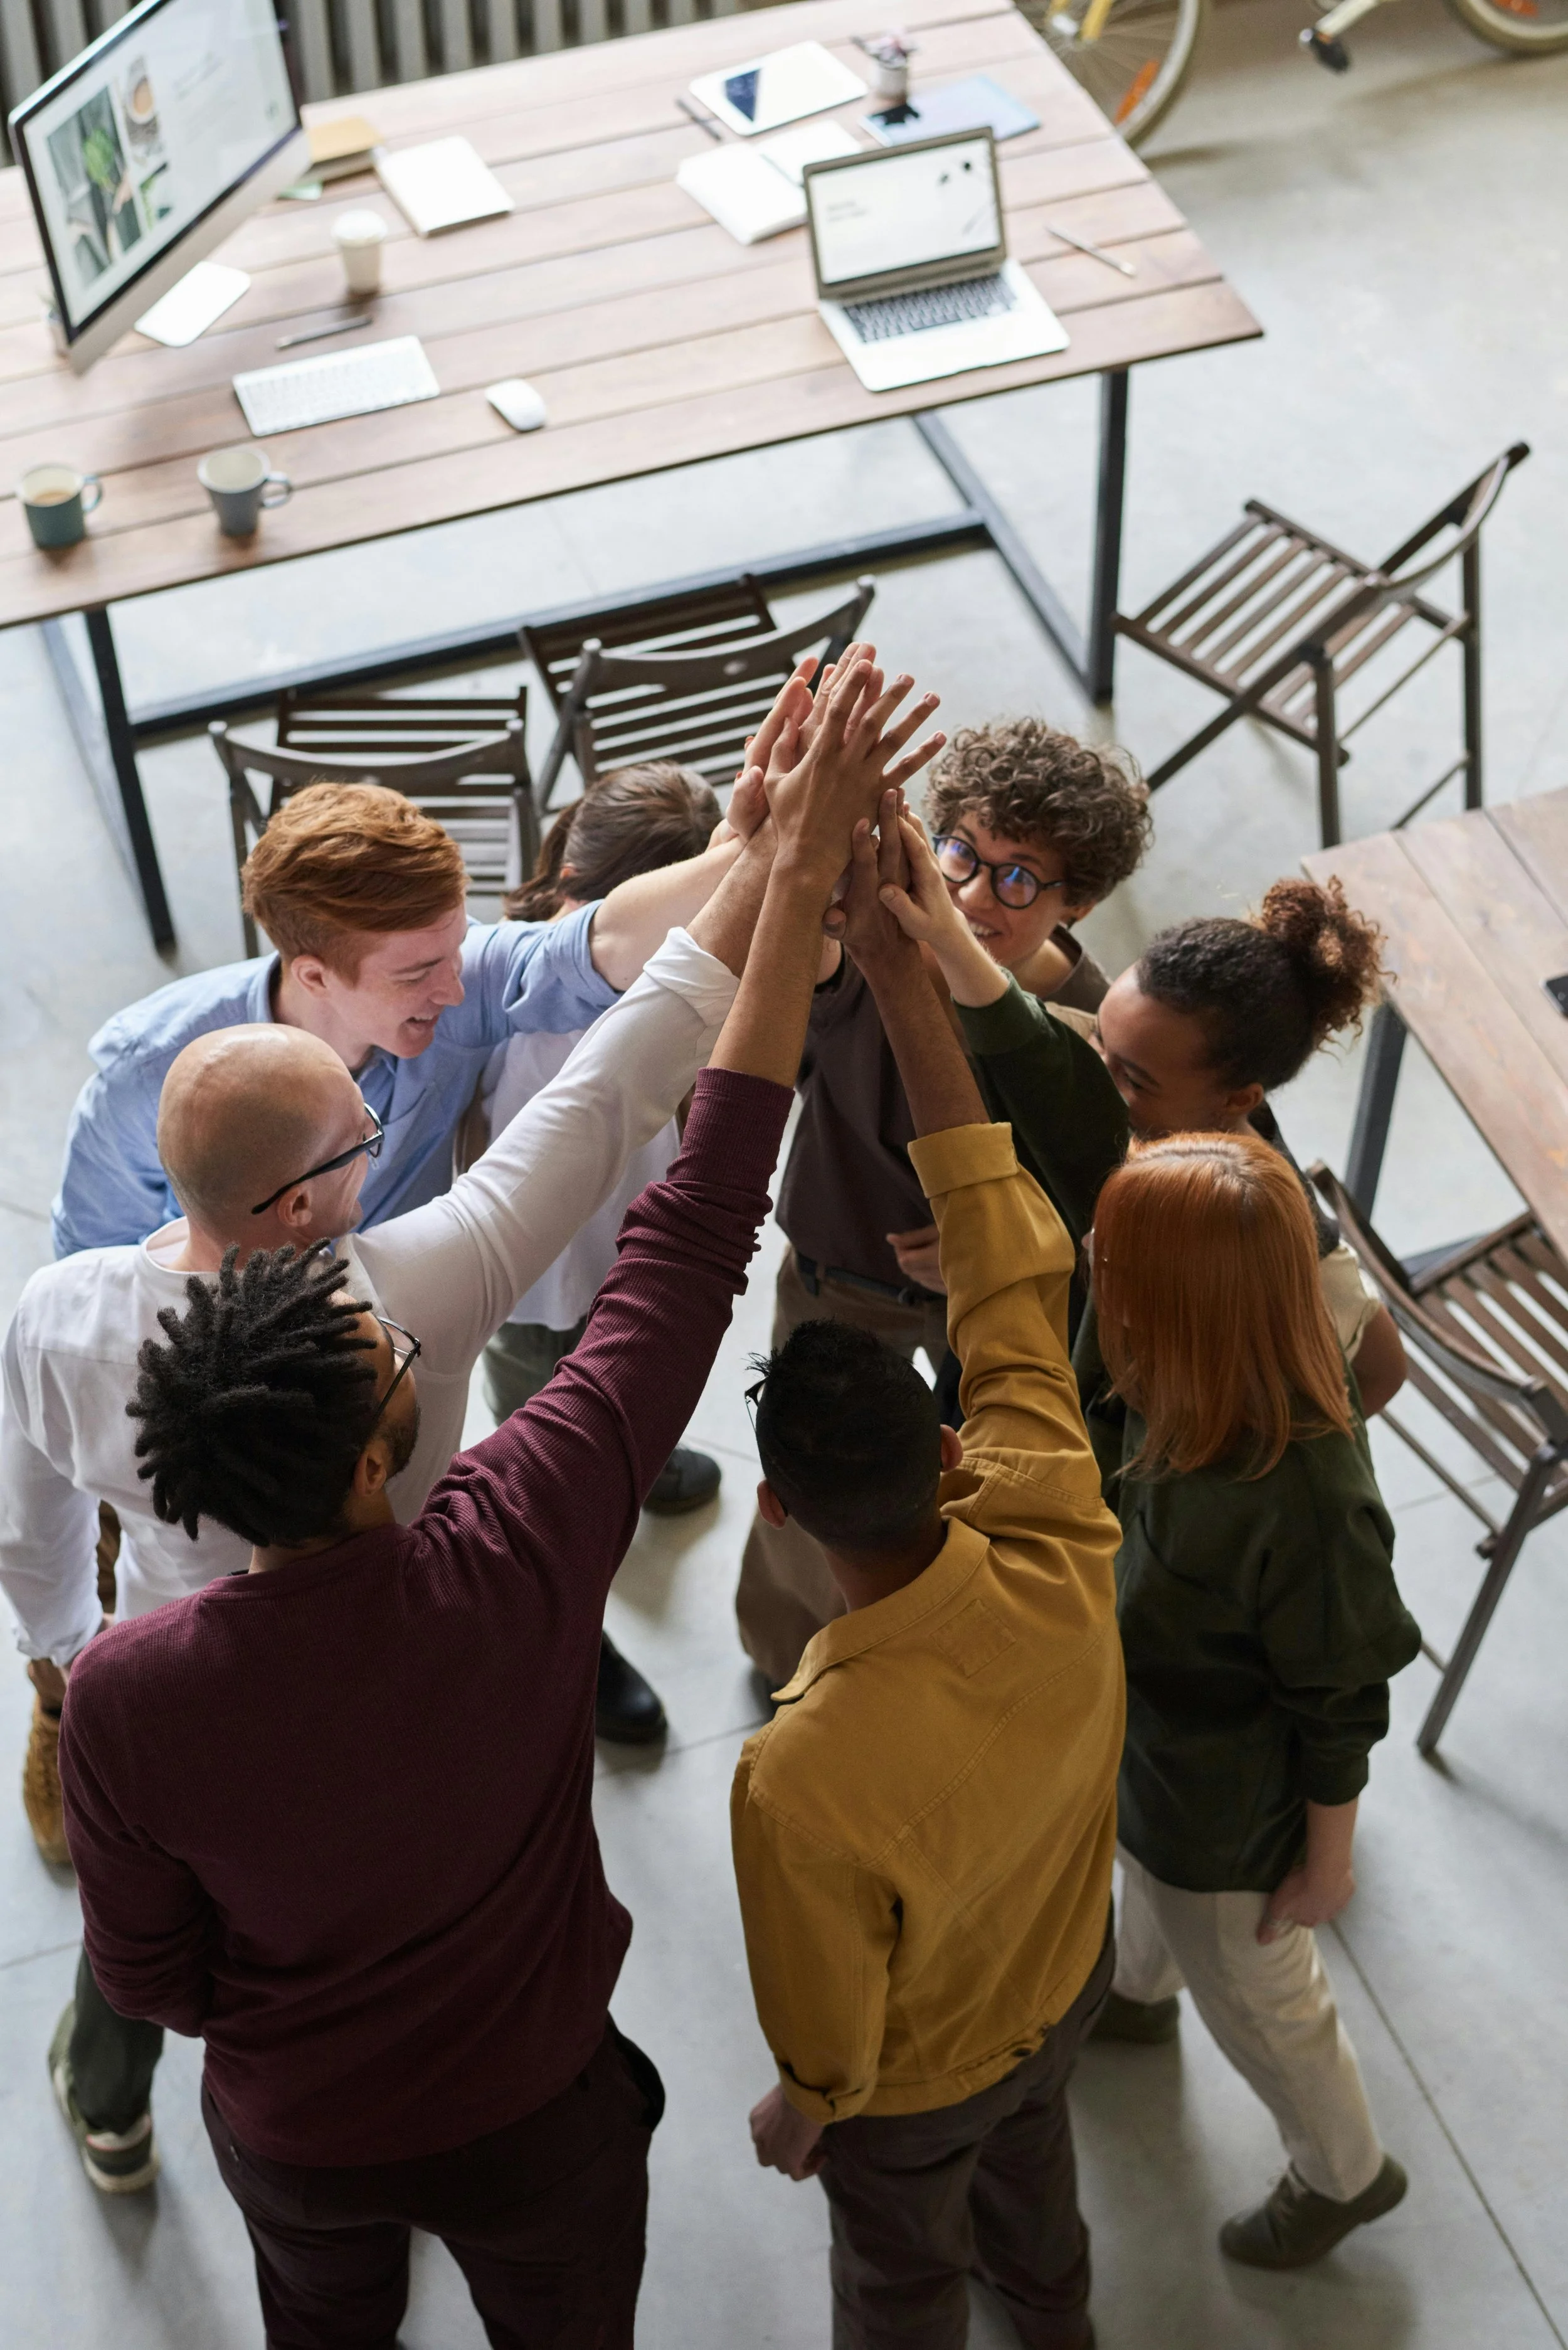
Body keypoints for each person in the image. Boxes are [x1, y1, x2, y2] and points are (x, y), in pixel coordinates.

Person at [55, 656, 943, 2346]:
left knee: (325, 2317)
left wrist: (756, 857)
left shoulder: (130, 1682)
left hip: (298, 2127)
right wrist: (789, 853)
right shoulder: (516, 1542)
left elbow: (164, 1976)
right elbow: (668, 1196)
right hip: (532, 2101)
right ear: (393, 1438)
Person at [8, 923, 737, 2191]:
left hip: (175, 1681)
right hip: (389, 1656)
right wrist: (766, 889)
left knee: (151, 1891)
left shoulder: (56, 1310)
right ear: (297, 1207)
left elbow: (31, 1524)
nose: (383, 1145)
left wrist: (72, 1654)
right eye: (364, 1138)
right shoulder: (401, 1296)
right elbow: (605, 1099)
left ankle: (109, 2095)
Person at [24, 775, 758, 1851]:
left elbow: (586, 951)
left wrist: (745, 849)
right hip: (189, 1432)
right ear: (314, 975)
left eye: (458, 949)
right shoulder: (149, 1078)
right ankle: (62, 1717)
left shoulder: (445, 1008)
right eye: (421, 968)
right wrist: (70, 1651)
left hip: (370, 1377)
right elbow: (96, 1289)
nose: (460, 986)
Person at [878, 829, 1422, 2271]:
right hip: (1146, 1712)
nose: (1088, 1280)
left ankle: (1343, 2165)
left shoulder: (1285, 1471)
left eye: (1098, 1271)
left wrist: (1326, 1850)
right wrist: (930, 919)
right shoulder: (1160, 1229)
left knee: (1258, 1980)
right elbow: (1049, 1065)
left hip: (1228, 1793)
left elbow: (1333, 1677)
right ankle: (1135, 1984)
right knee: (1145, 1864)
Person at [733, 805, 1124, 2350]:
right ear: (944, 1437)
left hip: (920, 2081)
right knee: (1040, 2214)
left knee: (898, 2290)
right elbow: (1005, 1260)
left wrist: (810, 2101)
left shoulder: (800, 1766)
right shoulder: (1062, 1522)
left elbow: (827, 2005)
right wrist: (906, 968)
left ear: (777, 1508)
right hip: (1066, 1988)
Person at [737, 717, 1152, 1689]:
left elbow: (1094, 1174)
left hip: (995, 1314)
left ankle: (931, 1663)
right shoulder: (870, 940)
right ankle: (788, 1658)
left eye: (1019, 878)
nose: (969, 894)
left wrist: (991, 1237)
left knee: (973, 1492)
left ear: (1078, 900)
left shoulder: (1085, 1022)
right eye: (962, 852)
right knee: (816, 1502)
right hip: (840, 1286)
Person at [883, 844, 1409, 1425]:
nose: (1094, 1069)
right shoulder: (1111, 1075)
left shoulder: (1279, 1236)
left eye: (1131, 1077)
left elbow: (1383, 1368)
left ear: (1239, 1100)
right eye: (1100, 1039)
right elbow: (1000, 1012)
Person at [479, 766, 729, 1637]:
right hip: (534, 1278)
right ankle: (576, 1626)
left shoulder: (672, 983)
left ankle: (639, 1467)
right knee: (543, 1437)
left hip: (624, 1244)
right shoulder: (512, 993)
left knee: (622, 1382)